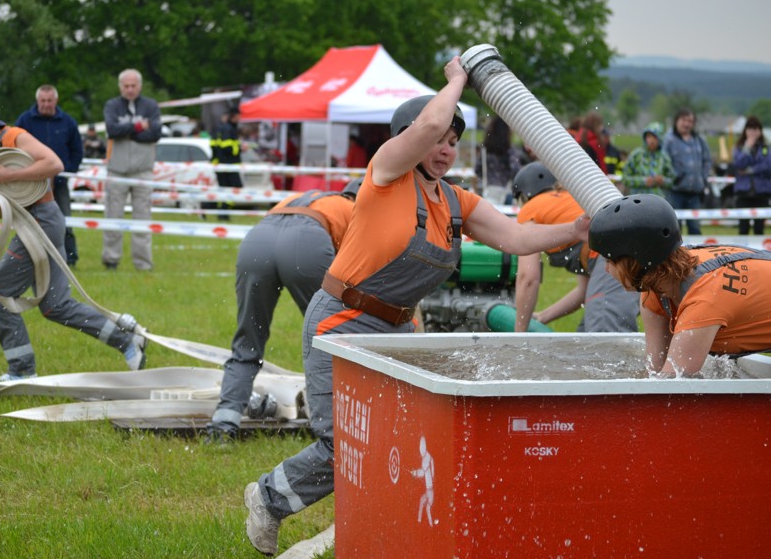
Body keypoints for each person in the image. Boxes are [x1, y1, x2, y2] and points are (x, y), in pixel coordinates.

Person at [243, 58, 590, 556]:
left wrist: (574, 230)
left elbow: (516, 236)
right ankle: (269, 497)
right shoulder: (385, 171)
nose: (446, 147)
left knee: (402, 439)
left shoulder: (456, 201)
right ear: (409, 138)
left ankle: (379, 525)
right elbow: (428, 121)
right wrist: (456, 80)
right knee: (343, 443)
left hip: (395, 331)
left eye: (453, 141)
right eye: (438, 138)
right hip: (341, 322)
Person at [0, 92, 147, 381]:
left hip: (43, 220)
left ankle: (21, 370)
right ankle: (126, 340)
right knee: (57, 306)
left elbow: (54, 163)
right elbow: (8, 198)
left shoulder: (14, 136)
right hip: (32, 223)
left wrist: (10, 177)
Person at [206, 180, 360, 441]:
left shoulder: (311, 197)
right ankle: (334, 430)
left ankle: (224, 422)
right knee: (334, 340)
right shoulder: (356, 209)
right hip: (307, 242)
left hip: (258, 239)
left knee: (248, 339)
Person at [589, 193, 771, 377]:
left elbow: (674, 386)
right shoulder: (655, 291)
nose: (605, 270)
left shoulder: (705, 299)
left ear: (634, 261)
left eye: (609, 261)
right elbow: (656, 372)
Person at [511, 162, 639, 333]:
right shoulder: (571, 200)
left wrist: (519, 332)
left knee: (604, 339)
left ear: (524, 197)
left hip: (615, 256)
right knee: (585, 342)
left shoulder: (530, 209)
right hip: (629, 252)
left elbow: (528, 278)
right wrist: (543, 316)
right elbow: (583, 291)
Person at [15, 84, 84, 267]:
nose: (46, 104)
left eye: (49, 100)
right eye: (43, 101)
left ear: (56, 100)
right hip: (31, 183)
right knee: (29, 220)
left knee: (64, 219)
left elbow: (77, 151)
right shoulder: (24, 121)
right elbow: (13, 147)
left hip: (59, 183)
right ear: (37, 101)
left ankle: (69, 258)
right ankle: (31, 257)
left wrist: (66, 171)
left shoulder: (68, 122)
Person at [102, 69, 161, 271]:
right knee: (113, 216)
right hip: (117, 171)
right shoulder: (112, 105)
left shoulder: (151, 106)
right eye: (126, 86)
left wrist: (127, 131)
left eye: (133, 85)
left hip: (143, 171)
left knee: (143, 218)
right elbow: (112, 130)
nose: (129, 89)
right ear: (120, 87)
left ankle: (143, 263)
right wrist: (138, 127)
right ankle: (111, 259)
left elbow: (155, 134)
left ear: (140, 86)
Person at [663, 108, 713, 235]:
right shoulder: (668, 140)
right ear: (676, 121)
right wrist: (674, 176)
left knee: (695, 228)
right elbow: (663, 162)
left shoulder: (699, 140)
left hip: (695, 193)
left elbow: (707, 160)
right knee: (674, 229)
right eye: (684, 120)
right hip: (675, 192)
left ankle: (696, 255)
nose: (687, 124)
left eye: (690, 121)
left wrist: (703, 176)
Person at [731, 116, 771, 235]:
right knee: (743, 229)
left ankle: (758, 254)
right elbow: (738, 165)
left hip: (761, 193)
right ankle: (742, 254)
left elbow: (767, 166)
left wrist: (749, 170)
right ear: (745, 130)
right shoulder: (739, 147)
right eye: (750, 128)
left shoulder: (765, 148)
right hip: (743, 193)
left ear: (760, 131)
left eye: (756, 128)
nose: (753, 132)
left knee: (759, 229)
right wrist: (747, 148)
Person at [473, 114, 522, 204]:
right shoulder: (510, 151)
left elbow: (477, 169)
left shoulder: (484, 150)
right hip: (506, 193)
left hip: (488, 191)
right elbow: (516, 169)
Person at [622, 122, 675, 198]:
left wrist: (663, 180)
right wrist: (643, 181)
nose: (651, 140)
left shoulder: (664, 157)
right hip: (637, 200)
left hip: (657, 201)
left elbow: (672, 180)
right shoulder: (636, 155)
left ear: (659, 138)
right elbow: (625, 178)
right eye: (649, 136)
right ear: (645, 138)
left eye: (654, 137)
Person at [209, 106, 243, 220]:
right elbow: (227, 148)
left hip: (220, 164)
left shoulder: (219, 128)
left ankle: (222, 213)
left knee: (224, 189)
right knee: (235, 187)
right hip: (228, 164)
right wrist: (239, 147)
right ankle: (215, 209)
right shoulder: (228, 129)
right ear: (234, 116)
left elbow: (214, 146)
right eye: (239, 116)